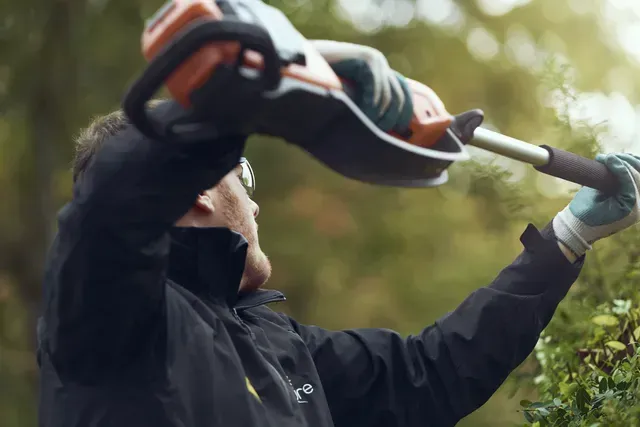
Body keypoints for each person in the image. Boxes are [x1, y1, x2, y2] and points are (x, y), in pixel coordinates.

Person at [36, 39, 640, 427]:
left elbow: (428, 374)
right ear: (196, 187)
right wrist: (270, 78)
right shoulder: (112, 315)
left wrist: (567, 237)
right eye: (242, 176)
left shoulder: (276, 342)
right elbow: (109, 217)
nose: (255, 202)